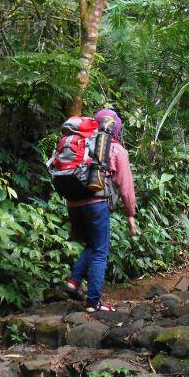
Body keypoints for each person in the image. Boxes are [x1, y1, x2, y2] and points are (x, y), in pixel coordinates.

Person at [65, 109, 137, 311]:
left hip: (73, 202)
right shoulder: (115, 149)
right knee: (100, 252)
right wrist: (130, 215)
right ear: (115, 127)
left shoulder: (82, 142)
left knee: (93, 245)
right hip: (96, 203)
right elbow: (126, 186)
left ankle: (73, 281)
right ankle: (93, 302)